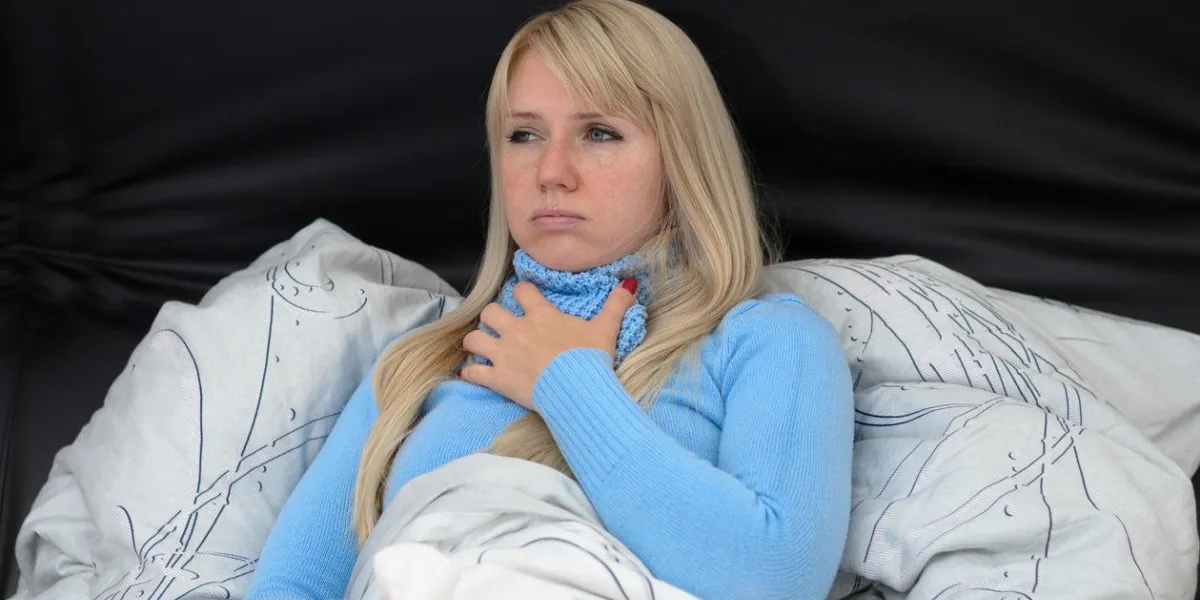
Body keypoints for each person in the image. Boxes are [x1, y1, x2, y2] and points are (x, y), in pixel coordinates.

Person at [245, 0, 854, 598]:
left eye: (599, 132)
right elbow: (293, 585)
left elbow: (778, 576)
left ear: (683, 160)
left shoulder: (769, 341)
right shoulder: (416, 365)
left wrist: (566, 384)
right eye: (524, 134)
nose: (551, 170)